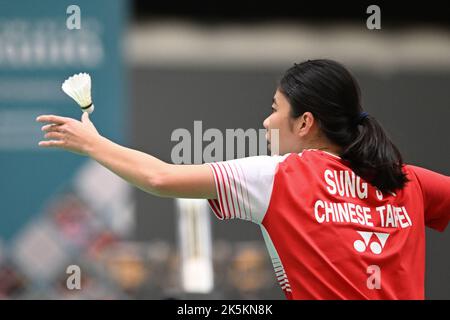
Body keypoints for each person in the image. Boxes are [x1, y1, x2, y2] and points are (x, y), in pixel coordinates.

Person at [36, 59, 449, 299]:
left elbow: (160, 177)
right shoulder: (406, 180)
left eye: (275, 108)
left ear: (305, 122)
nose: (267, 120)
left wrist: (91, 143)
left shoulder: (277, 177)